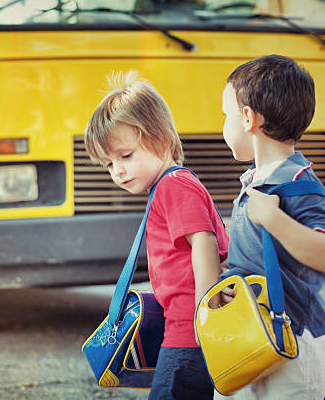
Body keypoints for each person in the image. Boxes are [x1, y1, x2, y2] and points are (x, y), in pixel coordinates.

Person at [84, 70, 229, 399]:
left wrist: (207, 310)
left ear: (162, 139)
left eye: (125, 156)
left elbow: (203, 241)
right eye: (108, 164)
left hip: (189, 333)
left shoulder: (173, 185)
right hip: (185, 329)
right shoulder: (170, 185)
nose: (117, 171)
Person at [219, 54, 325, 399]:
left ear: (247, 118)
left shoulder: (298, 182)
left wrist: (274, 218)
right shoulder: (255, 181)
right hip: (249, 335)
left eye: (225, 115)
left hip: (293, 343)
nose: (223, 126)